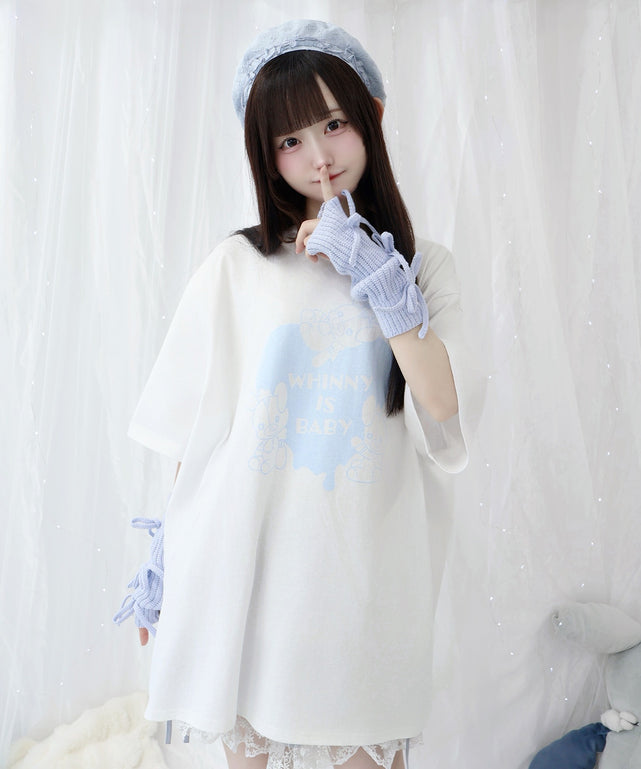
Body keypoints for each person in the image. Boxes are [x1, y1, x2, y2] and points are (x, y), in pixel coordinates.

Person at [115, 18, 472, 769]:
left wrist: (371, 270)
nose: (318, 156)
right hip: (250, 586)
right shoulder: (239, 265)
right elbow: (194, 434)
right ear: (265, 154)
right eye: (289, 140)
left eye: (334, 124)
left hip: (365, 592)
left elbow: (442, 405)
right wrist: (166, 560)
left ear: (372, 115)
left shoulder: (422, 265)